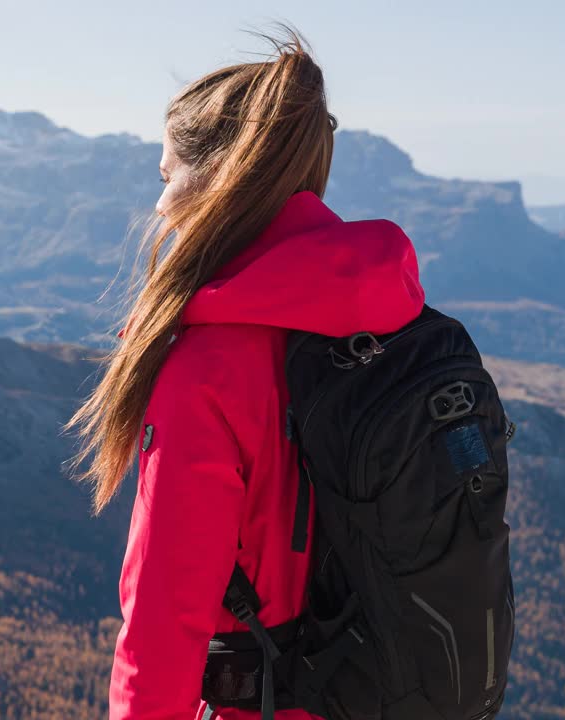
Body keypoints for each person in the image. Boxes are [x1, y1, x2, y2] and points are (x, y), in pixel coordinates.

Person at [66, 24, 426, 720]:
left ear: (215, 178)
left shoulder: (208, 367)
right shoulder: (396, 318)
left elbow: (164, 628)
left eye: (167, 176)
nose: (161, 204)